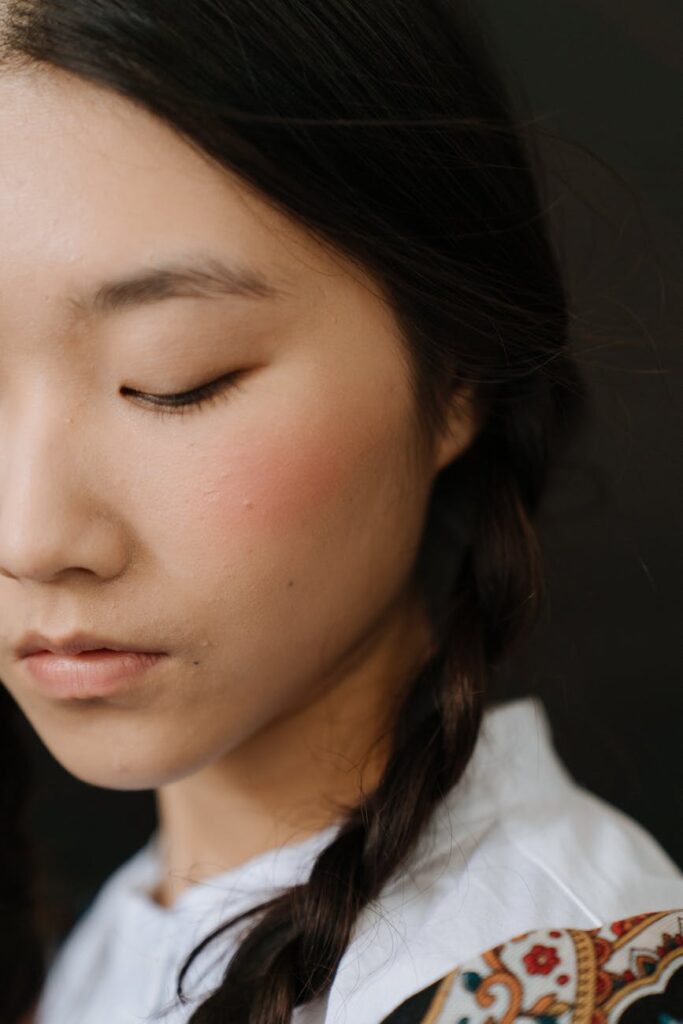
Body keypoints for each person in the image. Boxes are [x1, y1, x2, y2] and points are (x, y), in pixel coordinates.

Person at [0, 2, 680, 1023]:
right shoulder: (118, 937)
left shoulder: (565, 975)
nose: (31, 539)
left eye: (173, 379)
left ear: (452, 375)